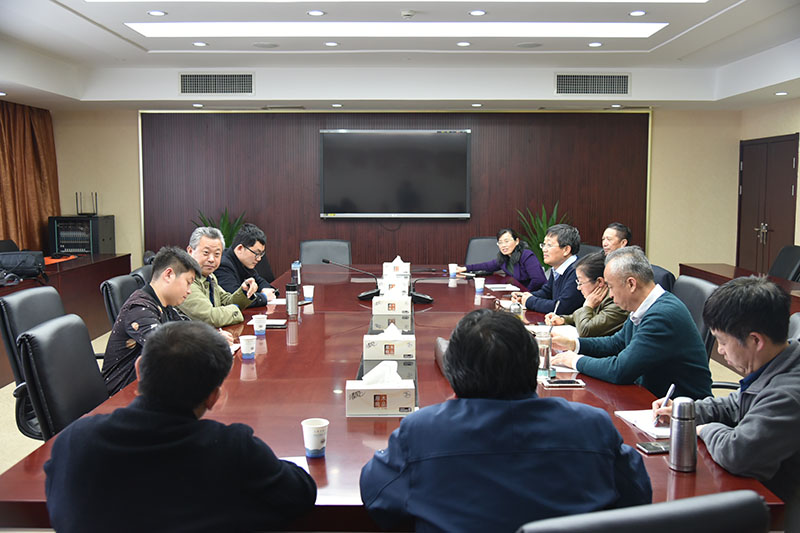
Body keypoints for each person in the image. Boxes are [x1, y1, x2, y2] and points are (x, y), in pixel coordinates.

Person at [360, 309, 652, 532]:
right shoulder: (592, 426)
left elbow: (377, 497)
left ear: (453, 371)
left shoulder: (422, 430)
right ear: (534, 365)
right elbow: (637, 496)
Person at [45, 321, 317, 532]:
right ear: (214, 397)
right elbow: (301, 494)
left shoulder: (75, 441)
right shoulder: (232, 449)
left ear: (139, 370)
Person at [653, 277, 800, 530]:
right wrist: (685, 411)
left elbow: (739, 454)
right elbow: (735, 403)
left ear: (755, 341)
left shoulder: (788, 392)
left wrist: (702, 429)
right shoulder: (777, 361)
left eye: (722, 341)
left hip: (778, 507)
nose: (719, 351)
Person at [551, 246, 712, 400]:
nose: (610, 295)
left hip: (677, 409)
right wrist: (573, 344)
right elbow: (616, 343)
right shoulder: (643, 307)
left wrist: (574, 361)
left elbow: (620, 370)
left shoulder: (661, 315)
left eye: (611, 287)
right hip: (649, 397)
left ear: (631, 284)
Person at [102, 246, 198, 396]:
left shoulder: (164, 304)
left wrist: (214, 337)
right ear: (168, 275)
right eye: (188, 282)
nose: (189, 290)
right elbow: (167, 348)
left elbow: (188, 328)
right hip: (124, 393)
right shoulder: (139, 308)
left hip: (151, 383)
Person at [179, 226, 258, 327]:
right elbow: (209, 317)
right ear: (190, 251)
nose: (211, 259)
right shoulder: (184, 279)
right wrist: (235, 309)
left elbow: (226, 302)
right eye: (206, 253)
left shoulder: (210, 276)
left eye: (217, 254)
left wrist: (244, 291)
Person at [545, 251, 628, 337]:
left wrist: (588, 306)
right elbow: (578, 316)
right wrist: (563, 319)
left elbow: (586, 330)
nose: (578, 287)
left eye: (580, 282)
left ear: (600, 281)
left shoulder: (615, 300)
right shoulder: (597, 298)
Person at [511, 223, 584, 314]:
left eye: (549, 245)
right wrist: (524, 296)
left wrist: (529, 301)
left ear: (566, 250)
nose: (544, 249)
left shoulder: (578, 271)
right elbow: (547, 292)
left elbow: (561, 307)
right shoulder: (558, 267)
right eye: (544, 245)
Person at [456, 228, 546, 291]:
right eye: (500, 242)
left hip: (536, 294)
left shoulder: (526, 255)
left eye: (507, 241)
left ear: (517, 241)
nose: (503, 245)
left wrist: (525, 294)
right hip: (518, 293)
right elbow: (487, 266)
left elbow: (538, 280)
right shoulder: (504, 258)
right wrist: (465, 268)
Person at [216, 223, 278, 307]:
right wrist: (264, 297)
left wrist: (266, 290)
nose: (259, 259)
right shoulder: (223, 265)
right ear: (240, 248)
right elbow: (236, 300)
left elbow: (261, 282)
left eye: (261, 254)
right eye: (256, 253)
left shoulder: (244, 263)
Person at [601, 222, 674, 291]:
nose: (604, 244)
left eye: (609, 239)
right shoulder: (601, 265)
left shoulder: (632, 270)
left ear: (623, 242)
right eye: (603, 239)